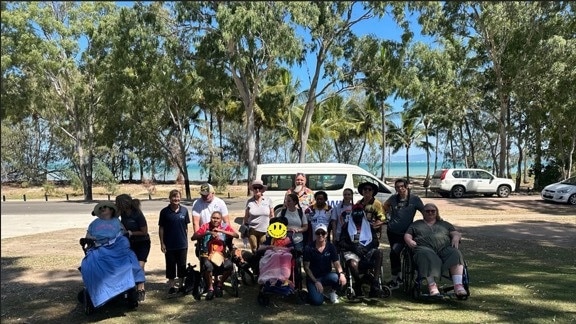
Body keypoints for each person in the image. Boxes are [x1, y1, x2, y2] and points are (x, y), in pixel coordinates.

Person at [81, 201, 145, 308]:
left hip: (116, 248)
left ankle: (126, 289)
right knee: (90, 263)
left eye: (105, 207)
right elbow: (88, 237)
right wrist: (95, 241)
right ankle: (101, 292)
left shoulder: (117, 222)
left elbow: (124, 235)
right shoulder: (94, 223)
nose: (102, 209)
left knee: (127, 253)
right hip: (99, 248)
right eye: (101, 208)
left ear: (111, 210)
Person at [404, 203, 467, 297]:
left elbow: (455, 233)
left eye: (433, 211)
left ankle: (458, 285)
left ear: (436, 212)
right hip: (424, 248)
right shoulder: (416, 224)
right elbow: (407, 234)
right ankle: (432, 285)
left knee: (455, 253)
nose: (430, 213)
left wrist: (456, 237)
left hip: (444, 248)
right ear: (423, 213)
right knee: (426, 254)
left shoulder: (445, 224)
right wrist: (409, 240)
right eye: (427, 211)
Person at [383, 178, 425, 289]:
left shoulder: (414, 199)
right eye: (397, 187)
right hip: (392, 231)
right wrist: (387, 216)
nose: (400, 189)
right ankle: (397, 278)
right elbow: (385, 206)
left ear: (407, 186)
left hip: (406, 233)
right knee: (394, 254)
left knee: (404, 252)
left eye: (402, 186)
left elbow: (424, 211)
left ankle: (410, 277)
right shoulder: (393, 198)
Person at [191, 211, 239, 300]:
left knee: (229, 265)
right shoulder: (205, 226)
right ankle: (210, 288)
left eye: (217, 218)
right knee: (208, 266)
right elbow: (193, 237)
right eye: (213, 218)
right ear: (210, 218)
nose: (215, 220)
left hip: (221, 254)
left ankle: (220, 284)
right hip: (207, 254)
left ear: (221, 220)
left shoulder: (224, 227)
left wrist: (221, 231)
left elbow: (236, 235)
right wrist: (208, 233)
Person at [338, 206, 383, 298]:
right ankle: (358, 283)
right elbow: (341, 242)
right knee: (352, 263)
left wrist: (366, 248)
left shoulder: (369, 226)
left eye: (360, 215)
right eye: (355, 215)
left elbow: (375, 241)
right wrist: (353, 247)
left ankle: (374, 284)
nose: (358, 218)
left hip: (367, 249)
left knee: (379, 253)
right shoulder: (346, 226)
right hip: (352, 251)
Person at [115, 194, 151, 302]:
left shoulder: (137, 214)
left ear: (124, 204)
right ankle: (132, 288)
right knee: (131, 266)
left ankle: (141, 289)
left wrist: (131, 233)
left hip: (142, 242)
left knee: (140, 266)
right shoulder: (123, 213)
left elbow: (144, 231)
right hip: (130, 243)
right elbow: (114, 217)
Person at [303, 223, 347, 305]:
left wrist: (341, 274)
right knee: (317, 302)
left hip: (326, 275)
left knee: (337, 277)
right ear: (315, 234)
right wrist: (315, 281)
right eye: (318, 233)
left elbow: (336, 262)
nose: (320, 235)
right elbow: (306, 268)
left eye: (322, 233)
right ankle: (316, 293)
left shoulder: (331, 247)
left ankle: (332, 292)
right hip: (313, 278)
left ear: (326, 234)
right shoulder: (308, 248)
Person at [158, 189, 190, 296]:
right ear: (170, 198)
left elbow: (186, 227)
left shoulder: (184, 211)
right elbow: (161, 228)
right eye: (174, 197)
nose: (176, 199)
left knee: (182, 265)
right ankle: (171, 286)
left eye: (178, 197)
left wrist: (185, 240)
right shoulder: (164, 212)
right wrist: (162, 243)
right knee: (170, 265)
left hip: (182, 244)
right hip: (169, 244)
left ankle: (181, 286)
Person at [243, 179, 274, 253]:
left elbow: (272, 215)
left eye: (259, 187)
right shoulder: (249, 202)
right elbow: (246, 217)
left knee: (263, 249)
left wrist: (272, 229)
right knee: (254, 249)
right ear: (253, 189)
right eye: (255, 188)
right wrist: (243, 230)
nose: (257, 190)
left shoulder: (268, 200)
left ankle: (262, 264)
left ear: (262, 189)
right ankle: (255, 264)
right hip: (252, 230)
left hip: (265, 230)